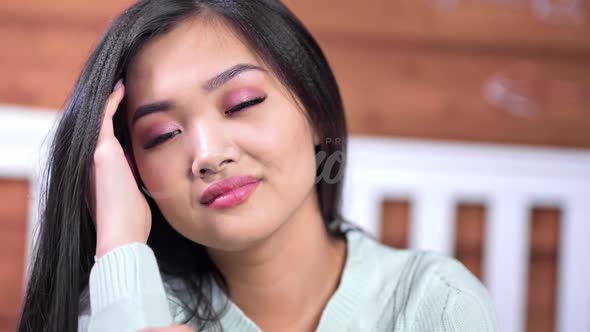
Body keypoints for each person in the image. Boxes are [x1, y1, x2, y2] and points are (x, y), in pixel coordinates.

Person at [18, 0, 499, 331]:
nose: (207, 154)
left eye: (242, 103)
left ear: (314, 109)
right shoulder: (124, 307)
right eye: (162, 135)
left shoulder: (433, 304)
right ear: (133, 171)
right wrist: (119, 243)